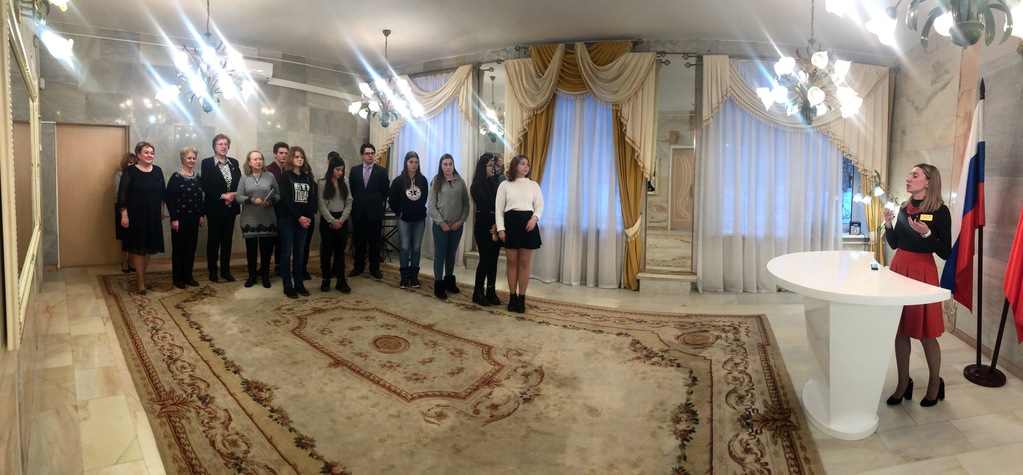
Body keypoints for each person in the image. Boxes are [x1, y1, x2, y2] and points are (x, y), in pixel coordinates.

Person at [883, 163, 952, 407]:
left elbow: (945, 252)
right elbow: (894, 243)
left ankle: (935, 383)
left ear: (928, 182)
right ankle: (903, 383)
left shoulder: (940, 211)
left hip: (922, 272)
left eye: (914, 175)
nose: (908, 178)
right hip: (899, 269)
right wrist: (888, 225)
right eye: (909, 174)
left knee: (925, 333)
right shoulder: (904, 207)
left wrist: (927, 234)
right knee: (900, 330)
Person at [496, 155, 543, 313]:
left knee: (524, 263)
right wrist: (501, 229)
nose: (526, 166)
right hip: (511, 224)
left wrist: (534, 219)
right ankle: (512, 297)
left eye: (528, 164)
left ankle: (522, 298)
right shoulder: (504, 185)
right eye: (522, 163)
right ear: (515, 165)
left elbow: (539, 206)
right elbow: (499, 209)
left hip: (528, 225)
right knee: (511, 263)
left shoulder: (533, 185)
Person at [117, 141, 165, 295]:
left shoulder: (158, 170)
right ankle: (140, 282)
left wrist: (161, 210)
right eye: (146, 152)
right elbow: (122, 195)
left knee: (149, 247)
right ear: (138, 154)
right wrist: (124, 215)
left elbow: (162, 194)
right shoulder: (130, 171)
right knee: (138, 249)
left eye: (152, 152)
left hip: (153, 215)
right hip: (136, 216)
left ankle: (142, 276)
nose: (150, 155)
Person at [427, 153, 470, 299]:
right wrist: (442, 223)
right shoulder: (436, 182)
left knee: (451, 254)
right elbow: (431, 206)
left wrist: (461, 220)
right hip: (441, 227)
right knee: (440, 255)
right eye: (445, 164)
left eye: (450, 164)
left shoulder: (460, 181)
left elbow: (466, 203)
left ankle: (449, 281)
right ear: (441, 166)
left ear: (453, 165)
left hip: (456, 226)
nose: (448, 167)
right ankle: (439, 285)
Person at [200, 134, 241, 282]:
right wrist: (223, 196)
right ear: (214, 147)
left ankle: (225, 270)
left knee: (227, 240)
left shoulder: (234, 162)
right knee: (214, 239)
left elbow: (240, 183)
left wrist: (233, 195)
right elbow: (205, 185)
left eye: (225, 144)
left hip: (231, 207)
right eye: (220, 144)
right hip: (215, 207)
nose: (223, 146)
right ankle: (213, 271)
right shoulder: (207, 163)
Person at [236, 150, 279, 288]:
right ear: (249, 162)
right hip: (250, 219)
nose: (258, 161)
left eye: (260, 159)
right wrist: (251, 200)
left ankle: (265, 275)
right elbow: (238, 197)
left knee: (266, 251)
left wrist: (270, 201)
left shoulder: (270, 176)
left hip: (268, 218)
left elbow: (278, 194)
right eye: (255, 159)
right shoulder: (244, 178)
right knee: (251, 251)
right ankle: (252, 276)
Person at [277, 146, 316, 298]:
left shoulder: (307, 177)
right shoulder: (285, 176)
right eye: (297, 156)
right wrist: (299, 217)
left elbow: (310, 199)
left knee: (299, 253)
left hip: (304, 222)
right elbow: (286, 200)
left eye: (302, 157)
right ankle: (287, 285)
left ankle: (299, 283)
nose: (300, 159)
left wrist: (308, 218)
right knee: (286, 253)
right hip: (288, 221)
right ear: (291, 158)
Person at [165, 147, 205, 289]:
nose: (192, 160)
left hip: (194, 219)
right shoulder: (176, 177)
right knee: (179, 249)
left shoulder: (197, 177)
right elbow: (169, 199)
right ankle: (178, 278)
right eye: (189, 158)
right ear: (183, 159)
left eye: (194, 158)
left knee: (190, 249)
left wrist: (201, 215)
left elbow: (200, 198)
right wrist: (174, 218)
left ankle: (188, 276)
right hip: (180, 220)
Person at [388, 151, 429, 289]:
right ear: (406, 163)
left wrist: (418, 209)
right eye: (411, 162)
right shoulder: (398, 181)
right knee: (405, 247)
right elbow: (392, 200)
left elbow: (424, 198)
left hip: (419, 220)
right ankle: (404, 277)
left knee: (416, 248)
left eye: (416, 162)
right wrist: (400, 212)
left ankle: (414, 277)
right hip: (403, 220)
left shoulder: (423, 180)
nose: (414, 165)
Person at [348, 143, 389, 279]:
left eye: (372, 153)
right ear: (362, 155)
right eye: (367, 153)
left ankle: (374, 268)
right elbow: (351, 190)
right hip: (359, 212)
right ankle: (358, 266)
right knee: (359, 241)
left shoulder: (381, 171)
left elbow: (385, 192)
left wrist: (374, 201)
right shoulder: (355, 170)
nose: (370, 155)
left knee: (374, 242)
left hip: (374, 213)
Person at [317, 152, 353, 293]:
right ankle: (326, 279)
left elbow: (349, 201)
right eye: (337, 169)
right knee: (326, 251)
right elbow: (321, 205)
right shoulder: (322, 182)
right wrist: (332, 221)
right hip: (328, 220)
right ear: (331, 168)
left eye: (342, 170)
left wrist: (341, 220)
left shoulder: (345, 181)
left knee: (340, 251)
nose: (340, 172)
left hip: (341, 219)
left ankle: (341, 280)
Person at [470, 153, 503, 306]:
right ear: (482, 168)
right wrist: (493, 227)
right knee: (485, 259)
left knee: (494, 260)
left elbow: (498, 206)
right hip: (484, 227)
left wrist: (497, 227)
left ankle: (491, 290)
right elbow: (483, 209)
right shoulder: (476, 186)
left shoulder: (494, 184)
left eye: (492, 165)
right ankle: (478, 292)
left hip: (495, 225)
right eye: (489, 166)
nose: (492, 168)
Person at [265, 141, 289, 275]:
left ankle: (279, 265)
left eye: (286, 153)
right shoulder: (268, 170)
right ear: (275, 154)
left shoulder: (289, 170)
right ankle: (265, 266)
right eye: (281, 153)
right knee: (269, 240)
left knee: (282, 240)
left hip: (285, 211)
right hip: (271, 210)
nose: (284, 155)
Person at [114, 152, 137, 273]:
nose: (132, 164)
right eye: (130, 162)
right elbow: (118, 194)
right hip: (122, 208)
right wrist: (124, 211)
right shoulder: (119, 174)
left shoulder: (138, 175)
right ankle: (124, 261)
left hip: (135, 209)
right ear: (125, 163)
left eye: (134, 162)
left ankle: (132, 261)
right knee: (124, 237)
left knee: (133, 236)